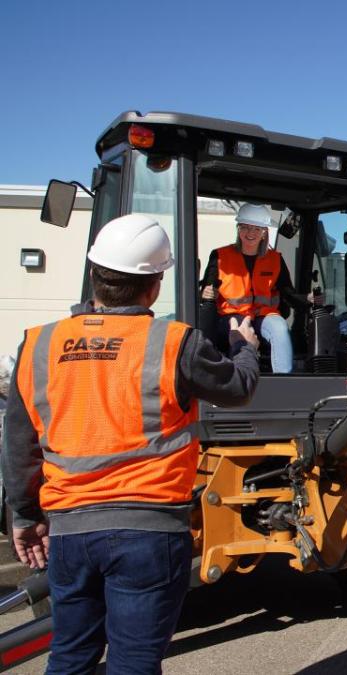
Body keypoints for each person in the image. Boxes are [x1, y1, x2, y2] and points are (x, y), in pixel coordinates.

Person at [2, 214, 260, 674]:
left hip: (70, 531)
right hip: (150, 531)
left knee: (70, 656)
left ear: (94, 271)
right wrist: (245, 345)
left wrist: (25, 517)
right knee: (135, 661)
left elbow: (20, 446)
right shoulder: (175, 342)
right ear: (155, 284)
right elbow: (239, 389)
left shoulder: (37, 345)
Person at [200, 203, 316, 374]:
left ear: (264, 233)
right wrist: (206, 293)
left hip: (263, 316)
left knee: (280, 327)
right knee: (240, 329)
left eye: (256, 229)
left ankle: (284, 384)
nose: (250, 233)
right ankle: (238, 382)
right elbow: (207, 289)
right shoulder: (220, 256)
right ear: (238, 229)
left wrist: (307, 299)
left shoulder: (275, 259)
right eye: (245, 227)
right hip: (230, 316)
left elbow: (287, 293)